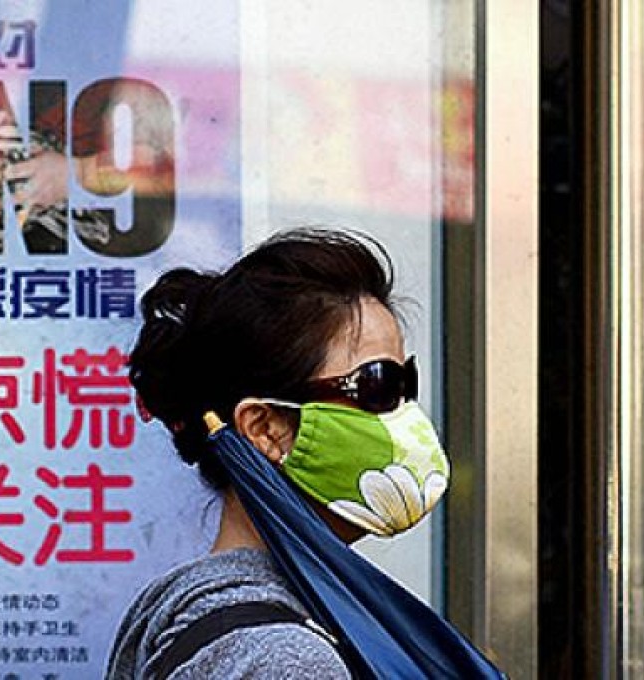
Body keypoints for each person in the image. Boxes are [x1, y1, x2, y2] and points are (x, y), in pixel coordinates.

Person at [105, 228, 447, 678]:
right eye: (378, 385)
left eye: (407, 385)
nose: (404, 416)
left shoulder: (195, 619)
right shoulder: (284, 659)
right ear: (266, 428)